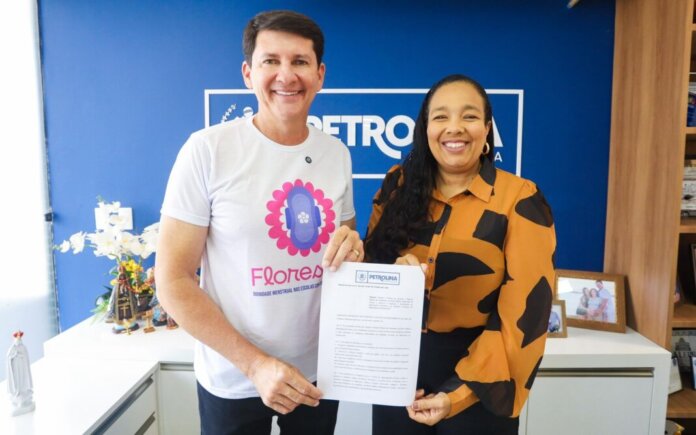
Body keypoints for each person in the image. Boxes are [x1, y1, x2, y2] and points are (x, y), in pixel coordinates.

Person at [155, 10, 363, 435]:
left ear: (320, 75)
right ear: (248, 74)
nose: (286, 75)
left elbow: (348, 248)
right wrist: (255, 365)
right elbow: (172, 280)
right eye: (271, 61)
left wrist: (355, 248)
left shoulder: (336, 154)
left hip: (316, 375)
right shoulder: (207, 150)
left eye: (300, 61)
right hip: (234, 378)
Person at [364, 74, 556, 434]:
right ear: (426, 129)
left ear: (487, 130)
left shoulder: (519, 198)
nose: (454, 127)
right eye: (441, 116)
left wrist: (460, 394)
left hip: (482, 376)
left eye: (469, 116)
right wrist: (394, 276)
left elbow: (526, 315)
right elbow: (367, 274)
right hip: (396, 372)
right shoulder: (397, 184)